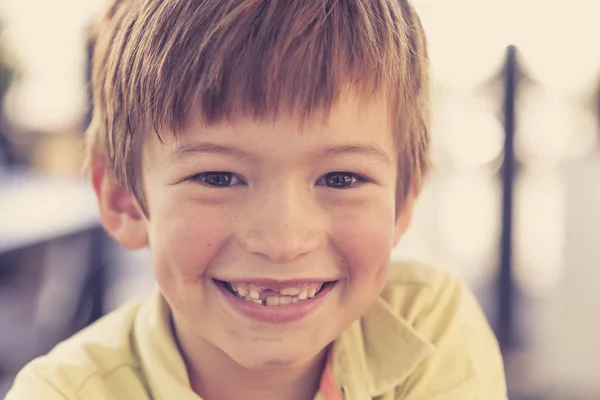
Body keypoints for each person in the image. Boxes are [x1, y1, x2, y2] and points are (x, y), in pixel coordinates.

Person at [6, 0, 507, 398]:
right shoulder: (61, 392)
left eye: (340, 179)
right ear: (124, 201)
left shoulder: (427, 325)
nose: (284, 241)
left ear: (403, 201)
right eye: (219, 178)